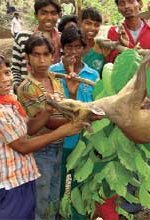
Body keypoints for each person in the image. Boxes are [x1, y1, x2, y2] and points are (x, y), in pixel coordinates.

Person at [0, 55, 83, 220]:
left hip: (23, 177)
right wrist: (61, 132)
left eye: (7, 72)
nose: (5, 79)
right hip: (8, 184)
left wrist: (47, 111)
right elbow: (22, 146)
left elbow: (28, 128)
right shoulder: (1, 110)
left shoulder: (11, 101)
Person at [49, 26, 99, 219]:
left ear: (83, 49)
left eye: (78, 47)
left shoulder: (92, 75)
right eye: (69, 47)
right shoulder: (53, 72)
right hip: (60, 138)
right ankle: (57, 213)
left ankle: (78, 215)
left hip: (84, 140)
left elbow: (95, 106)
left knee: (81, 184)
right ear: (63, 48)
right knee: (59, 182)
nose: (73, 52)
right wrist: (69, 89)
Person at [17, 35, 69, 220]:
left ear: (52, 56)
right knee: (40, 198)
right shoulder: (27, 87)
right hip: (41, 149)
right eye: (36, 55)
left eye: (46, 54)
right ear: (27, 58)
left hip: (58, 144)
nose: (41, 60)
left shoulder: (54, 79)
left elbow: (62, 109)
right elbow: (47, 122)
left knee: (54, 195)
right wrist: (79, 118)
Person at [11, 0, 61, 94]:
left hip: (55, 96)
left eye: (53, 13)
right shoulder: (22, 37)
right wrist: (17, 87)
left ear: (59, 15)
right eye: (44, 13)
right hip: (27, 95)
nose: (49, 18)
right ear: (36, 15)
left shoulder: (62, 40)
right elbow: (15, 68)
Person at [81, 7, 107, 77]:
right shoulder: (73, 47)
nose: (92, 28)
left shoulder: (102, 48)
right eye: (88, 23)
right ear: (80, 23)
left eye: (96, 25)